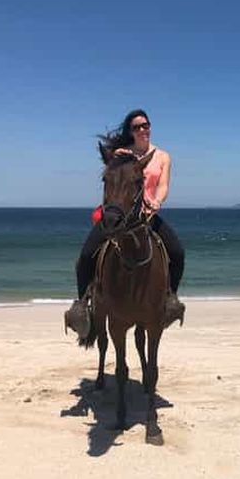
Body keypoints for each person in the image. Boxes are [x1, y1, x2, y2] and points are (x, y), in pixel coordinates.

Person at [65, 109, 186, 338]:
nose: (142, 130)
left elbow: (163, 185)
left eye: (145, 125)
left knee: (177, 253)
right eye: (137, 127)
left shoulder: (163, 157)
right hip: (119, 217)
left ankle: (169, 298)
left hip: (147, 215)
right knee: (85, 256)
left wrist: (157, 201)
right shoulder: (122, 154)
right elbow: (112, 180)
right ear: (130, 131)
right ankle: (83, 305)